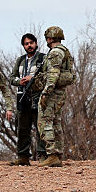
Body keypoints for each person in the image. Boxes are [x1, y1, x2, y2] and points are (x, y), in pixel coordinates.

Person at [34, 26, 76, 167]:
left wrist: (46, 92)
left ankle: (52, 154)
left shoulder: (55, 53)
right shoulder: (64, 51)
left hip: (52, 93)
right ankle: (57, 154)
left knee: (45, 122)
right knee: (56, 123)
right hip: (59, 92)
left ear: (50, 38)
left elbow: (53, 74)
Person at [8, 33, 47, 165]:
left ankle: (43, 156)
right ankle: (23, 157)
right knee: (22, 128)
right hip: (22, 96)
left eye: (31, 43)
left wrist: (33, 79)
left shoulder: (43, 58)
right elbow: (12, 78)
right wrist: (20, 81)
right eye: (26, 44)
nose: (29, 45)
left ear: (36, 43)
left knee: (40, 128)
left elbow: (47, 76)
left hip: (37, 97)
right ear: (23, 46)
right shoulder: (20, 60)